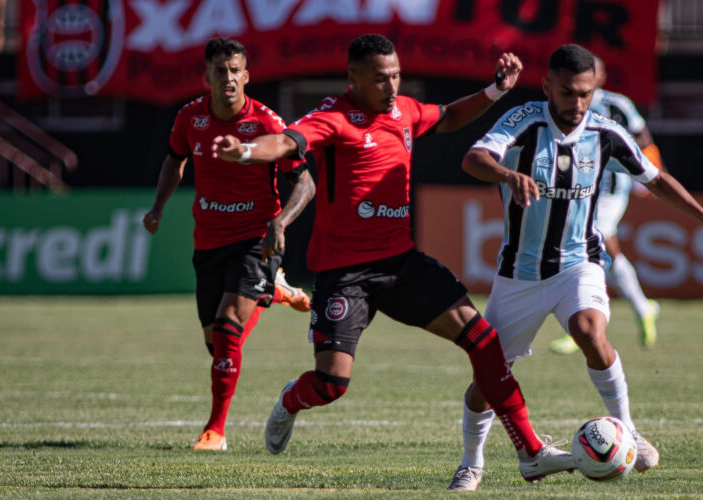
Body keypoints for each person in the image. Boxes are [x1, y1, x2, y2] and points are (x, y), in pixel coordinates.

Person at [212, 34, 576, 484]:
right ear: (354, 79)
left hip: (400, 264)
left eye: (397, 76)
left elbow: (447, 117)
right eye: (382, 78)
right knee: (332, 385)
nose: (392, 86)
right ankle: (291, 400)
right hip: (344, 274)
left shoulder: (403, 110)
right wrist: (247, 151)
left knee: (483, 341)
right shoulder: (333, 117)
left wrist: (495, 91)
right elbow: (288, 142)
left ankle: (530, 451)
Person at [447, 44, 703, 491]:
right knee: (486, 378)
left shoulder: (607, 131)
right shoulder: (524, 121)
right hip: (520, 274)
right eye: (567, 93)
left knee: (590, 331)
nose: (577, 103)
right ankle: (473, 462)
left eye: (585, 93)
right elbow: (473, 158)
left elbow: (656, 179)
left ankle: (629, 431)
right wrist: (509, 175)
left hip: (578, 263)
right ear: (548, 86)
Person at [143, 37, 316, 451]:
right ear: (207, 77)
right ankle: (272, 290)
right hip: (208, 240)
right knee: (216, 345)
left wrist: (280, 221)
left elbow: (305, 183)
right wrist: (157, 208)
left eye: (235, 70)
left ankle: (215, 430)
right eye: (220, 71)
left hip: (255, 240)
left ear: (247, 76)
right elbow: (174, 160)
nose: (229, 78)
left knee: (227, 327)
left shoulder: (267, 124)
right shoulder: (190, 118)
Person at [549, 55, 662, 354]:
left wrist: (645, 176)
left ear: (600, 76)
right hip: (578, 190)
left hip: (611, 191)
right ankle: (643, 307)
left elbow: (643, 137)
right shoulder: (563, 104)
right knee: (604, 253)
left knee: (592, 241)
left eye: (592, 70)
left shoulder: (617, 105)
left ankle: (583, 327)